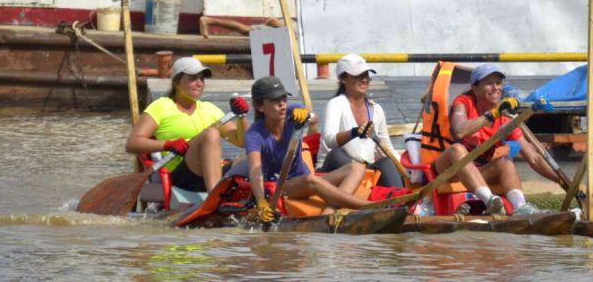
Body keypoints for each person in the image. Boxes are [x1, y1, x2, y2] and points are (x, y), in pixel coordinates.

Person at [434, 63, 562, 215]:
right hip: (447, 169)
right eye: (489, 83)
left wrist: (562, 181)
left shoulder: (505, 117)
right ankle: (490, 202)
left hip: (477, 173)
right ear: (475, 89)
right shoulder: (465, 102)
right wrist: (492, 114)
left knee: (505, 161)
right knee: (457, 149)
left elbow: (533, 158)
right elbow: (460, 131)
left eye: (498, 83)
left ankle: (521, 208)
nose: (495, 88)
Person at [246, 76, 373, 222]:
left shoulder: (292, 111)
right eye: (275, 101)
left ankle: (329, 211)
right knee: (310, 179)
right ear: (260, 106)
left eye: (283, 99)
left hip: (306, 182)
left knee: (357, 168)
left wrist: (307, 116)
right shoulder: (254, 135)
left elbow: (314, 118)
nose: (282, 104)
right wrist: (261, 202)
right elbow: (255, 170)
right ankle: (367, 206)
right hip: (280, 188)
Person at [125, 57, 250, 193]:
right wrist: (167, 145)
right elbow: (132, 143)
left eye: (202, 79)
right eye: (193, 78)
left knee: (254, 158)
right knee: (211, 133)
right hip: (180, 175)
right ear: (177, 82)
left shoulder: (209, 109)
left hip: (212, 172)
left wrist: (241, 116)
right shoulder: (161, 106)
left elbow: (242, 142)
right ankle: (214, 196)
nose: (199, 84)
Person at [316, 54, 402, 187]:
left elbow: (387, 147)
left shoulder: (377, 110)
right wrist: (354, 133)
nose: (364, 80)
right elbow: (329, 140)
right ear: (343, 79)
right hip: (333, 170)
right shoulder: (335, 104)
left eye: (366, 75)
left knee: (387, 162)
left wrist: (407, 170)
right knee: (337, 154)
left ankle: (403, 202)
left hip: (364, 171)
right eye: (357, 76)